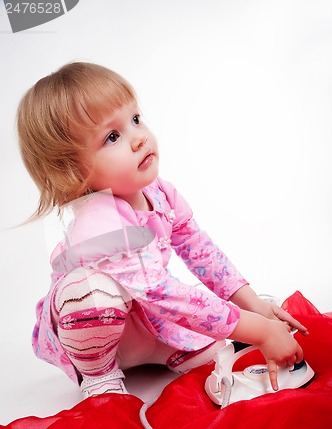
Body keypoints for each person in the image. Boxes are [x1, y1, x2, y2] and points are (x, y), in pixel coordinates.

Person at [17, 62, 308, 399]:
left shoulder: (159, 193)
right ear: (71, 171)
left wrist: (252, 305)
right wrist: (257, 330)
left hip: (152, 320)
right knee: (90, 291)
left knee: (219, 353)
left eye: (136, 119)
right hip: (96, 329)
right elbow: (162, 293)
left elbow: (201, 252)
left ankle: (164, 350)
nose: (139, 138)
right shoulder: (97, 222)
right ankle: (100, 376)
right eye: (112, 136)